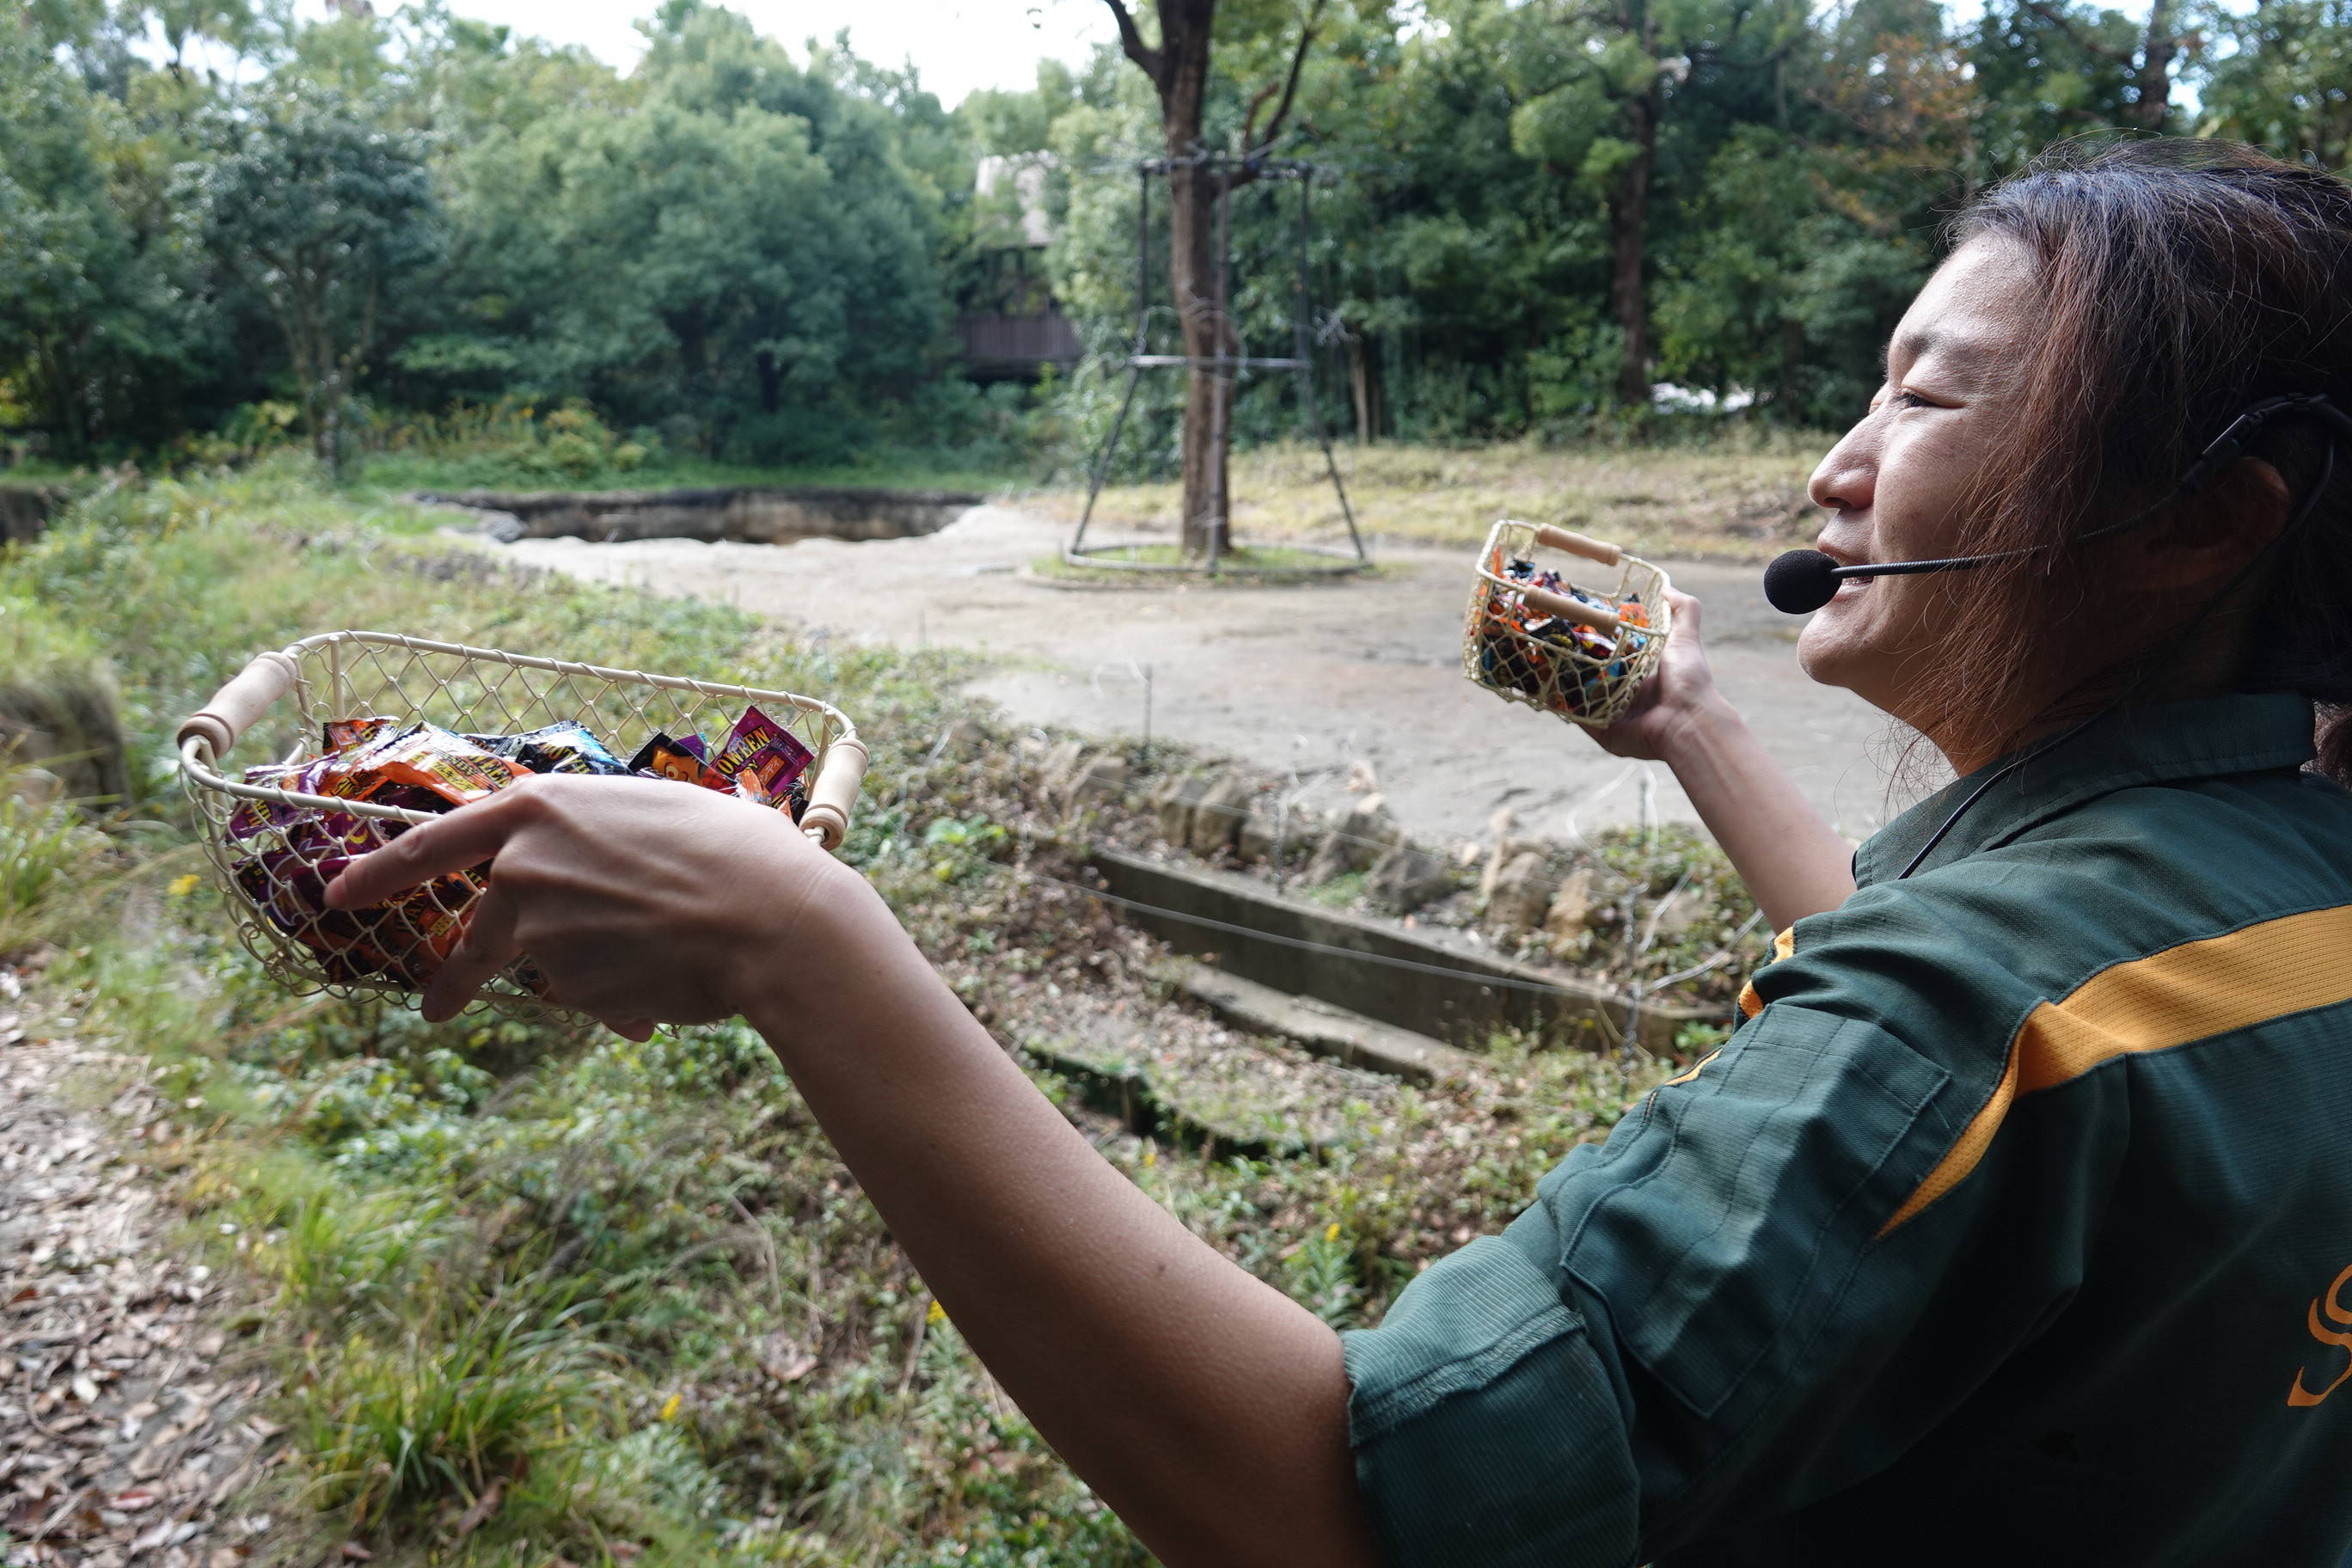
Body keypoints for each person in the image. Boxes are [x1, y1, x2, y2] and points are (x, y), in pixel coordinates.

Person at [327, 138, 2352, 1565]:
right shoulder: (2260, 898)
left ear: (2205, 523)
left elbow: (1349, 1513)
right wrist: (1696, 723)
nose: (1837, 466)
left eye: (1926, 393)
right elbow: (2021, 1090)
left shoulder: (1962, 1016)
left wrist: (805, 941)